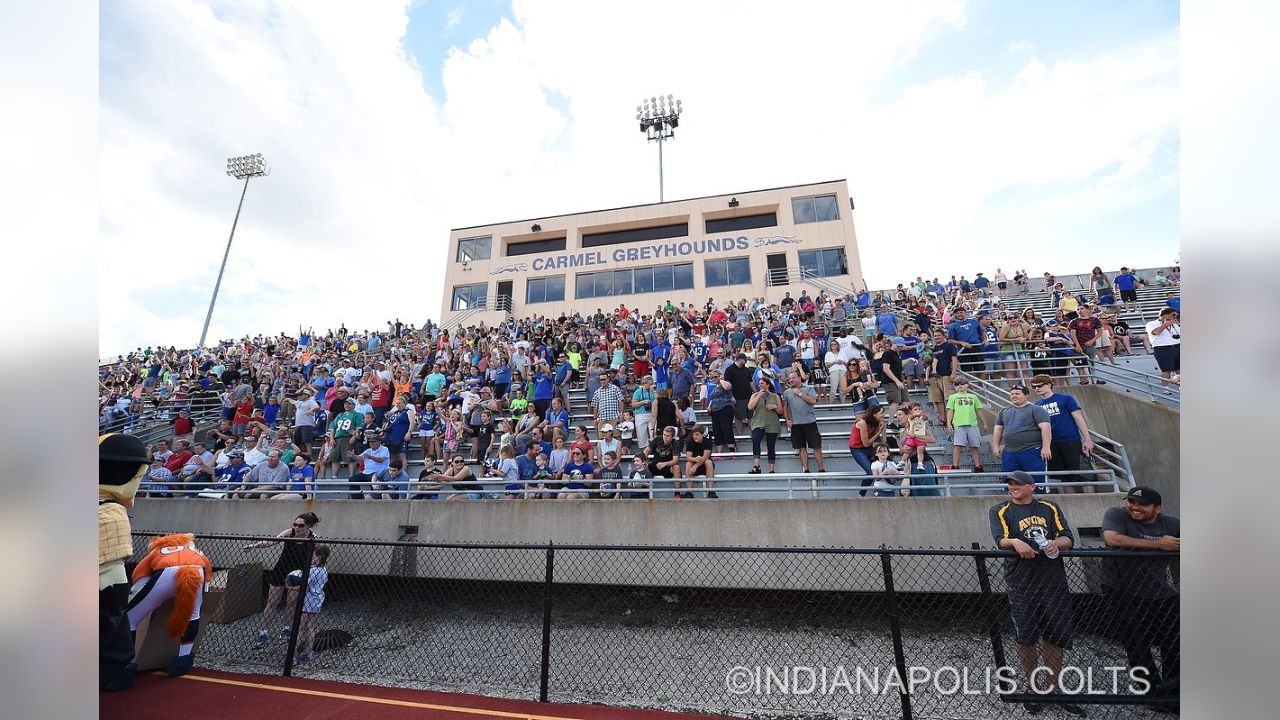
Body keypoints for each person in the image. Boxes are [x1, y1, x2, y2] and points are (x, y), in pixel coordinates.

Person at [989, 471, 1086, 717]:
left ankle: (1054, 688)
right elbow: (1000, 540)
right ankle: (1032, 686)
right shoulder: (1000, 509)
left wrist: (1056, 544)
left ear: (1032, 486)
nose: (1013, 487)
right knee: (1026, 637)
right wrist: (1014, 543)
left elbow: (1067, 537)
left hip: (1052, 580)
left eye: (1018, 483)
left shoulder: (1049, 507)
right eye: (1010, 484)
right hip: (1021, 582)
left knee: (1054, 635)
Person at [1101, 486, 1180, 709]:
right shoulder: (1116, 514)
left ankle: (1171, 691)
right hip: (1121, 591)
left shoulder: (1171, 523)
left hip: (1159, 591)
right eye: (1131, 502)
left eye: (1142, 505)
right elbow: (1112, 539)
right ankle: (1151, 694)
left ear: (1158, 508)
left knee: (1173, 641)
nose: (1134, 507)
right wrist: (1159, 544)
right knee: (1136, 644)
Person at [244, 512, 320, 649]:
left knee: (291, 603)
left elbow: (316, 558)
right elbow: (271, 542)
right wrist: (254, 546)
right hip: (281, 569)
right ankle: (263, 633)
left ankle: (286, 628)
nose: (297, 528)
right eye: (295, 524)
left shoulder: (312, 538)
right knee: (272, 602)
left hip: (297, 574)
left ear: (308, 526)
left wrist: (310, 576)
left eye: (301, 526)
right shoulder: (289, 533)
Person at [1030, 375, 1096, 494]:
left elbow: (1078, 418)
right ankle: (1073, 504)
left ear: (1049, 384)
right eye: (1034, 387)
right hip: (1051, 444)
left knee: (1084, 474)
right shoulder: (1036, 405)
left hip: (1071, 440)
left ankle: (1093, 499)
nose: (1037, 388)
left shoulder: (1066, 398)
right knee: (1064, 477)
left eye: (1040, 385)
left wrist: (1087, 439)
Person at [992, 385, 1053, 488]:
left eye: (1017, 394)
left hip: (1032, 451)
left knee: (1036, 482)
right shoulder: (1004, 411)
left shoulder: (1036, 410)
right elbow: (998, 429)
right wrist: (995, 446)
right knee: (1010, 480)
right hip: (1010, 453)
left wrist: (1046, 447)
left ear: (1026, 396)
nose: (1014, 396)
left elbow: (1046, 428)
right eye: (1012, 394)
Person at [289, 545, 331, 665]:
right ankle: (308, 653)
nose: (311, 557)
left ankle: (292, 656)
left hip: (309, 599)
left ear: (318, 556)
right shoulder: (324, 570)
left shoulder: (312, 571)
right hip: (317, 599)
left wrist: (291, 587)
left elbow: (304, 585)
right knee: (309, 625)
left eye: (313, 555)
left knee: (300, 627)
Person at [781, 369, 825, 473]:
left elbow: (813, 401)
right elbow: (785, 407)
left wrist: (800, 394)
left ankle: (821, 469)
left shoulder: (808, 388)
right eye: (790, 378)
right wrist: (787, 420)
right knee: (801, 447)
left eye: (793, 377)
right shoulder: (787, 392)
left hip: (810, 423)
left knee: (816, 446)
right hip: (796, 424)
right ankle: (806, 469)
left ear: (799, 378)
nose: (791, 380)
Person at [945, 378, 985, 472]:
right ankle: (955, 465)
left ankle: (978, 465)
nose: (960, 386)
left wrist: (984, 423)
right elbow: (950, 410)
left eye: (962, 384)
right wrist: (948, 423)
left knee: (974, 446)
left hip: (972, 424)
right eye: (957, 384)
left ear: (967, 385)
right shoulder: (953, 397)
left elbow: (978, 410)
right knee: (957, 445)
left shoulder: (973, 397)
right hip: (959, 424)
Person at [747, 376, 783, 474]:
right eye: (759, 384)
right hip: (758, 422)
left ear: (767, 384)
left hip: (772, 423)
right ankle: (757, 466)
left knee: (771, 446)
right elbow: (750, 407)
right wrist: (758, 395)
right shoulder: (754, 395)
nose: (760, 385)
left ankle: (771, 469)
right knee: (756, 439)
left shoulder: (775, 396)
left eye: (762, 383)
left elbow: (780, 411)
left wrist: (774, 406)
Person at [1145, 308, 1180, 392]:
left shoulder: (1174, 324)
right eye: (1173, 315)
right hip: (1163, 348)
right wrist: (1165, 325)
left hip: (1177, 346)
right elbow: (1155, 332)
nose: (1175, 317)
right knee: (1166, 370)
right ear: (1165, 315)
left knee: (1179, 369)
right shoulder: (1152, 323)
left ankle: (1180, 385)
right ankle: (1165, 387)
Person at [682, 425, 716, 499]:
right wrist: (695, 459)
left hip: (704, 466)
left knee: (708, 462)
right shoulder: (690, 442)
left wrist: (695, 466)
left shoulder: (707, 442)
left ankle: (711, 491)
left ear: (702, 434)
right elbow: (688, 457)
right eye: (693, 434)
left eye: (697, 434)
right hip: (694, 465)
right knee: (688, 463)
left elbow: (705, 457)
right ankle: (689, 492)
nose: (695, 436)